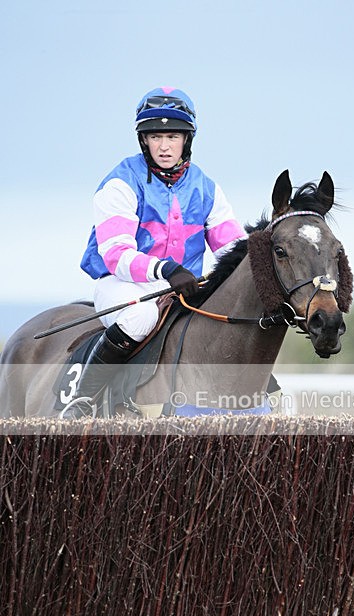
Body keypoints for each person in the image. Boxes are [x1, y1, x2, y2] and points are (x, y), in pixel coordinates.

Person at [61, 86, 246, 419]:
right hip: (123, 286)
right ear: (143, 140)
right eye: (155, 136)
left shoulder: (206, 187)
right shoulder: (120, 183)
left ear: (186, 140)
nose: (164, 146)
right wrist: (167, 271)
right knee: (139, 317)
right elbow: (116, 254)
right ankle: (83, 400)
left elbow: (231, 247)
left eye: (172, 136)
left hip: (182, 288)